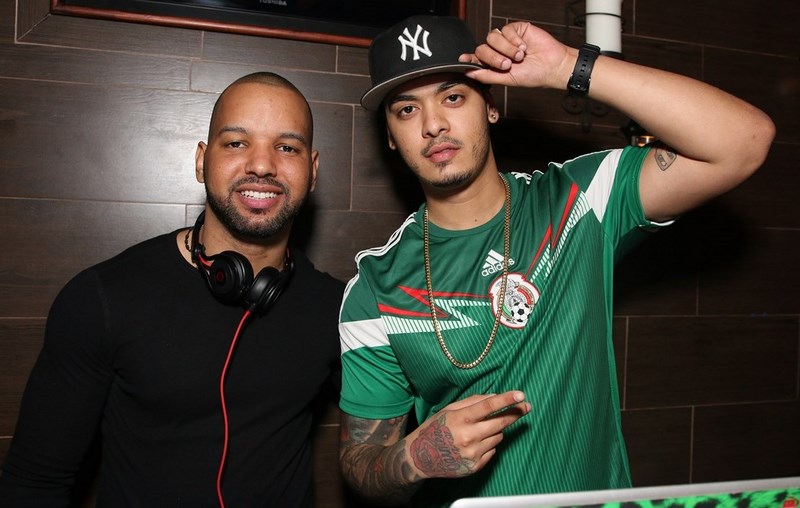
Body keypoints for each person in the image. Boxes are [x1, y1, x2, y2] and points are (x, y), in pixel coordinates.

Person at [337, 15, 775, 507]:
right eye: (406, 109)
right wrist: (415, 456)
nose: (433, 124)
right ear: (390, 135)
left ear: (491, 107)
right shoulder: (376, 286)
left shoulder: (579, 198)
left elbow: (745, 140)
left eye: (453, 97)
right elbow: (359, 461)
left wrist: (569, 65)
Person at [0, 72, 344, 507]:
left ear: (312, 171)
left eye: (287, 147)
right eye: (236, 143)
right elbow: (34, 484)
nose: (261, 165)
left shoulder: (338, 309)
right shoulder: (104, 297)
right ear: (201, 161)